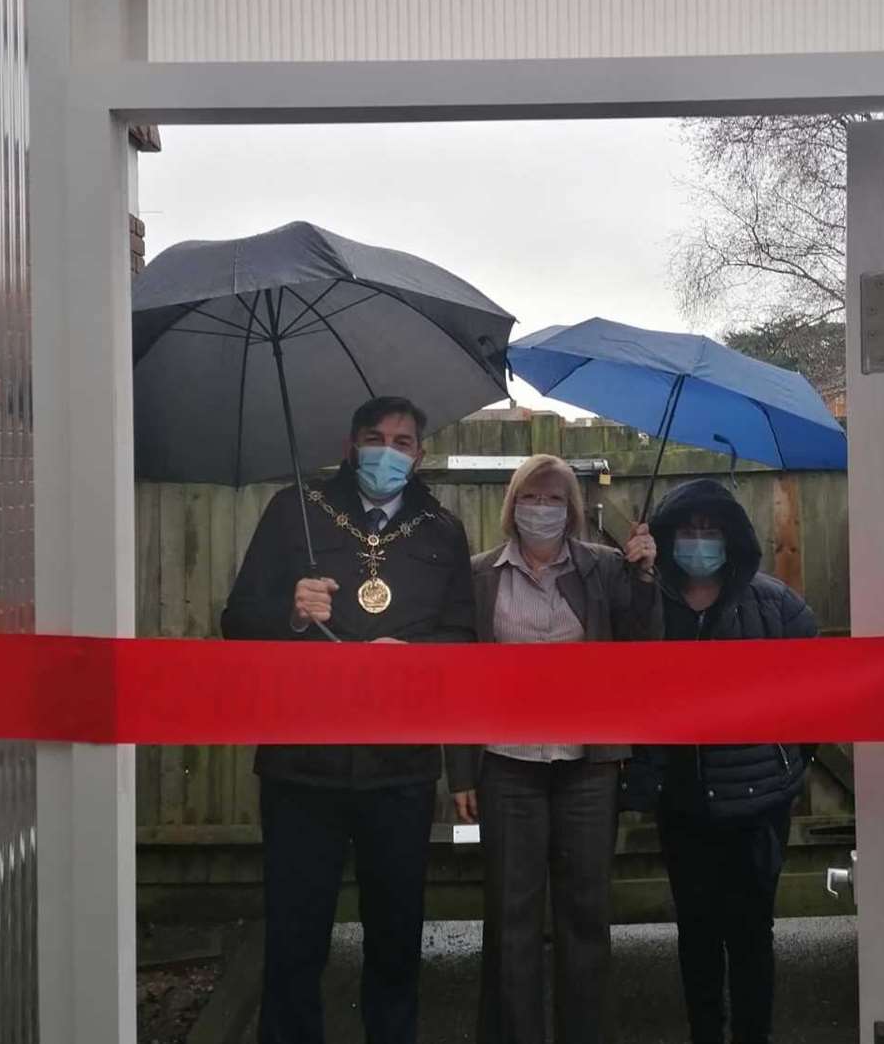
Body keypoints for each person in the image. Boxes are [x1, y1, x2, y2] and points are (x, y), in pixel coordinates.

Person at [222, 395, 476, 1044]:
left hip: (400, 770)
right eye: (374, 438)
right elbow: (236, 623)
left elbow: (465, 642)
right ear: (349, 444)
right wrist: (290, 610)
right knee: (294, 940)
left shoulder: (443, 532)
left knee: (396, 943)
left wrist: (414, 657)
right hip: (302, 767)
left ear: (418, 454)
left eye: (401, 441)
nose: (386, 452)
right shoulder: (295, 514)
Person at [446, 453, 662, 1044]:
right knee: (510, 918)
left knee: (586, 914)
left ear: (571, 511)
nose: (542, 509)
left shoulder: (605, 568)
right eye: (531, 497)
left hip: (587, 767)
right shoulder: (479, 574)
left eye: (554, 499)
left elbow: (643, 646)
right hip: (505, 766)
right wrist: (460, 772)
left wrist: (644, 574)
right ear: (513, 505)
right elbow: (458, 678)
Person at [646, 478, 818, 1044]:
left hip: (757, 804)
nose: (698, 541)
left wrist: (783, 768)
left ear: (732, 538)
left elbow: (815, 703)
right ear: (668, 538)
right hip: (682, 802)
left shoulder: (778, 606)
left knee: (750, 936)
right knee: (695, 934)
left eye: (710, 530)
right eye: (687, 531)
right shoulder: (647, 603)